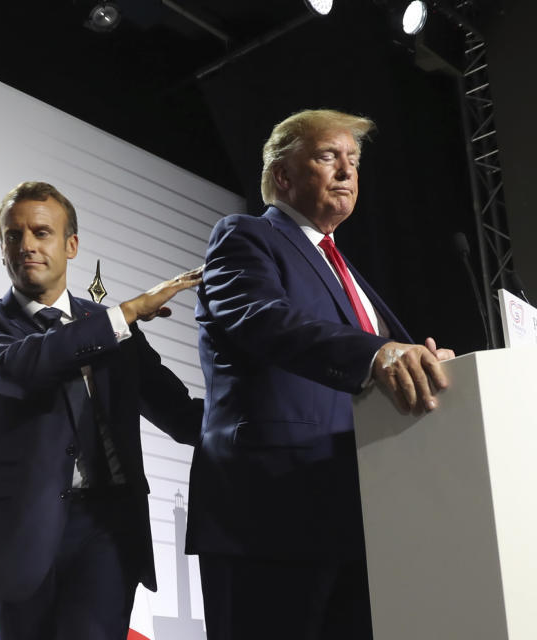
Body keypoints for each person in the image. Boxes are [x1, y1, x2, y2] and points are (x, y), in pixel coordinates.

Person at [186, 109, 455, 640]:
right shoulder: (244, 236)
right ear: (283, 176)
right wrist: (378, 356)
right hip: (270, 515)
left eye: (353, 160)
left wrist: (429, 364)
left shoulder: (347, 271)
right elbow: (262, 319)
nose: (347, 171)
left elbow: (384, 351)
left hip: (359, 517)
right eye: (328, 156)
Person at [0, 181, 204, 640]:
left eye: (41, 233)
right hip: (18, 537)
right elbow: (22, 367)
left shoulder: (113, 328)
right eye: (13, 236)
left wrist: (278, 416)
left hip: (107, 529)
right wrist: (123, 315)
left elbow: (183, 417)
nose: (27, 246)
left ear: (71, 245)